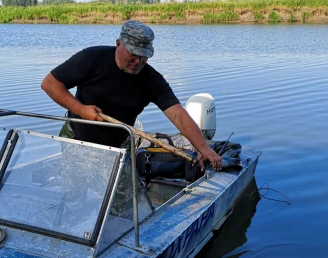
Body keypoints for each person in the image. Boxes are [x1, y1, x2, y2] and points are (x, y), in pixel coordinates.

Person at [41, 20, 222, 171]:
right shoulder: (91, 59)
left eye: (144, 56)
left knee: (123, 204)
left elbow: (177, 114)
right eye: (133, 54)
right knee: (75, 196)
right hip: (76, 139)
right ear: (118, 44)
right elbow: (50, 84)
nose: (138, 61)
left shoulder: (152, 80)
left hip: (119, 146)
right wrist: (80, 109)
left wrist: (203, 148)